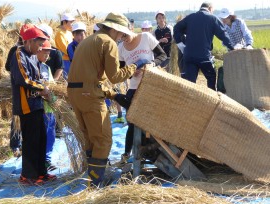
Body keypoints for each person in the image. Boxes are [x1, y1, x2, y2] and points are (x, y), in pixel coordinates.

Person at [67, 12, 150, 187]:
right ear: (114, 29)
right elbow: (115, 76)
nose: (121, 37)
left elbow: (92, 76)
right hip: (90, 97)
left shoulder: (88, 41)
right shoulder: (108, 42)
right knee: (103, 139)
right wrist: (136, 65)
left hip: (76, 95)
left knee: (90, 137)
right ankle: (97, 182)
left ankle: (92, 176)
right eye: (121, 33)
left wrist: (111, 93)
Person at [10, 27, 55, 185]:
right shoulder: (18, 54)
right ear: (28, 41)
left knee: (41, 138)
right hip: (26, 105)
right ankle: (27, 175)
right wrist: (41, 88)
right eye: (39, 43)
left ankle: (41, 172)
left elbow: (37, 77)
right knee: (30, 141)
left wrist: (45, 89)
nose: (41, 47)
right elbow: (23, 79)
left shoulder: (34, 56)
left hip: (37, 103)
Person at [117, 28, 167, 166]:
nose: (124, 39)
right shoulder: (120, 48)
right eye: (121, 37)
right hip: (134, 89)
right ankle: (127, 154)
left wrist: (152, 64)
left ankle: (159, 153)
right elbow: (121, 72)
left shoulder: (146, 37)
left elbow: (162, 55)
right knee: (132, 123)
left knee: (154, 121)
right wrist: (132, 73)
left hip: (152, 85)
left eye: (125, 35)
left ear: (130, 29)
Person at [173, 2, 234, 90]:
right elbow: (223, 34)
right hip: (204, 56)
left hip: (189, 55)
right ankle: (211, 98)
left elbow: (176, 28)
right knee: (211, 77)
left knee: (190, 83)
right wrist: (232, 47)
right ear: (210, 8)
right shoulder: (212, 18)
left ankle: (190, 101)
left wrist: (180, 45)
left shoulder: (190, 17)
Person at [5, 23, 34, 157]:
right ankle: (16, 145)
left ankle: (25, 146)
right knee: (17, 117)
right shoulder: (15, 50)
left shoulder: (32, 50)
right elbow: (7, 67)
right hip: (19, 88)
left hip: (31, 90)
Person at [35, 40, 57, 172]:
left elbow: (52, 87)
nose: (47, 55)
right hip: (38, 108)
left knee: (51, 134)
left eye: (49, 53)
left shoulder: (46, 67)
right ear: (38, 50)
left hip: (49, 107)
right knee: (40, 136)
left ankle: (47, 160)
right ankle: (39, 161)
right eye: (45, 52)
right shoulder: (32, 66)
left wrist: (53, 99)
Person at [55, 13, 75, 79]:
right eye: (70, 22)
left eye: (72, 22)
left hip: (71, 59)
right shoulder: (60, 34)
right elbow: (66, 50)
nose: (72, 24)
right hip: (65, 61)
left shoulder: (69, 33)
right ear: (64, 22)